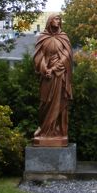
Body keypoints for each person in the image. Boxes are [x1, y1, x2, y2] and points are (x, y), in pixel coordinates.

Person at [33, 14, 73, 146]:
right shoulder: (42, 38)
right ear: (50, 21)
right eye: (56, 19)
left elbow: (67, 56)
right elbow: (38, 56)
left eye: (59, 19)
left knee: (59, 102)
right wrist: (45, 70)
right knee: (45, 102)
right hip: (47, 77)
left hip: (59, 75)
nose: (58, 21)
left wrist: (54, 69)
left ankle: (56, 129)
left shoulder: (64, 38)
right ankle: (44, 129)